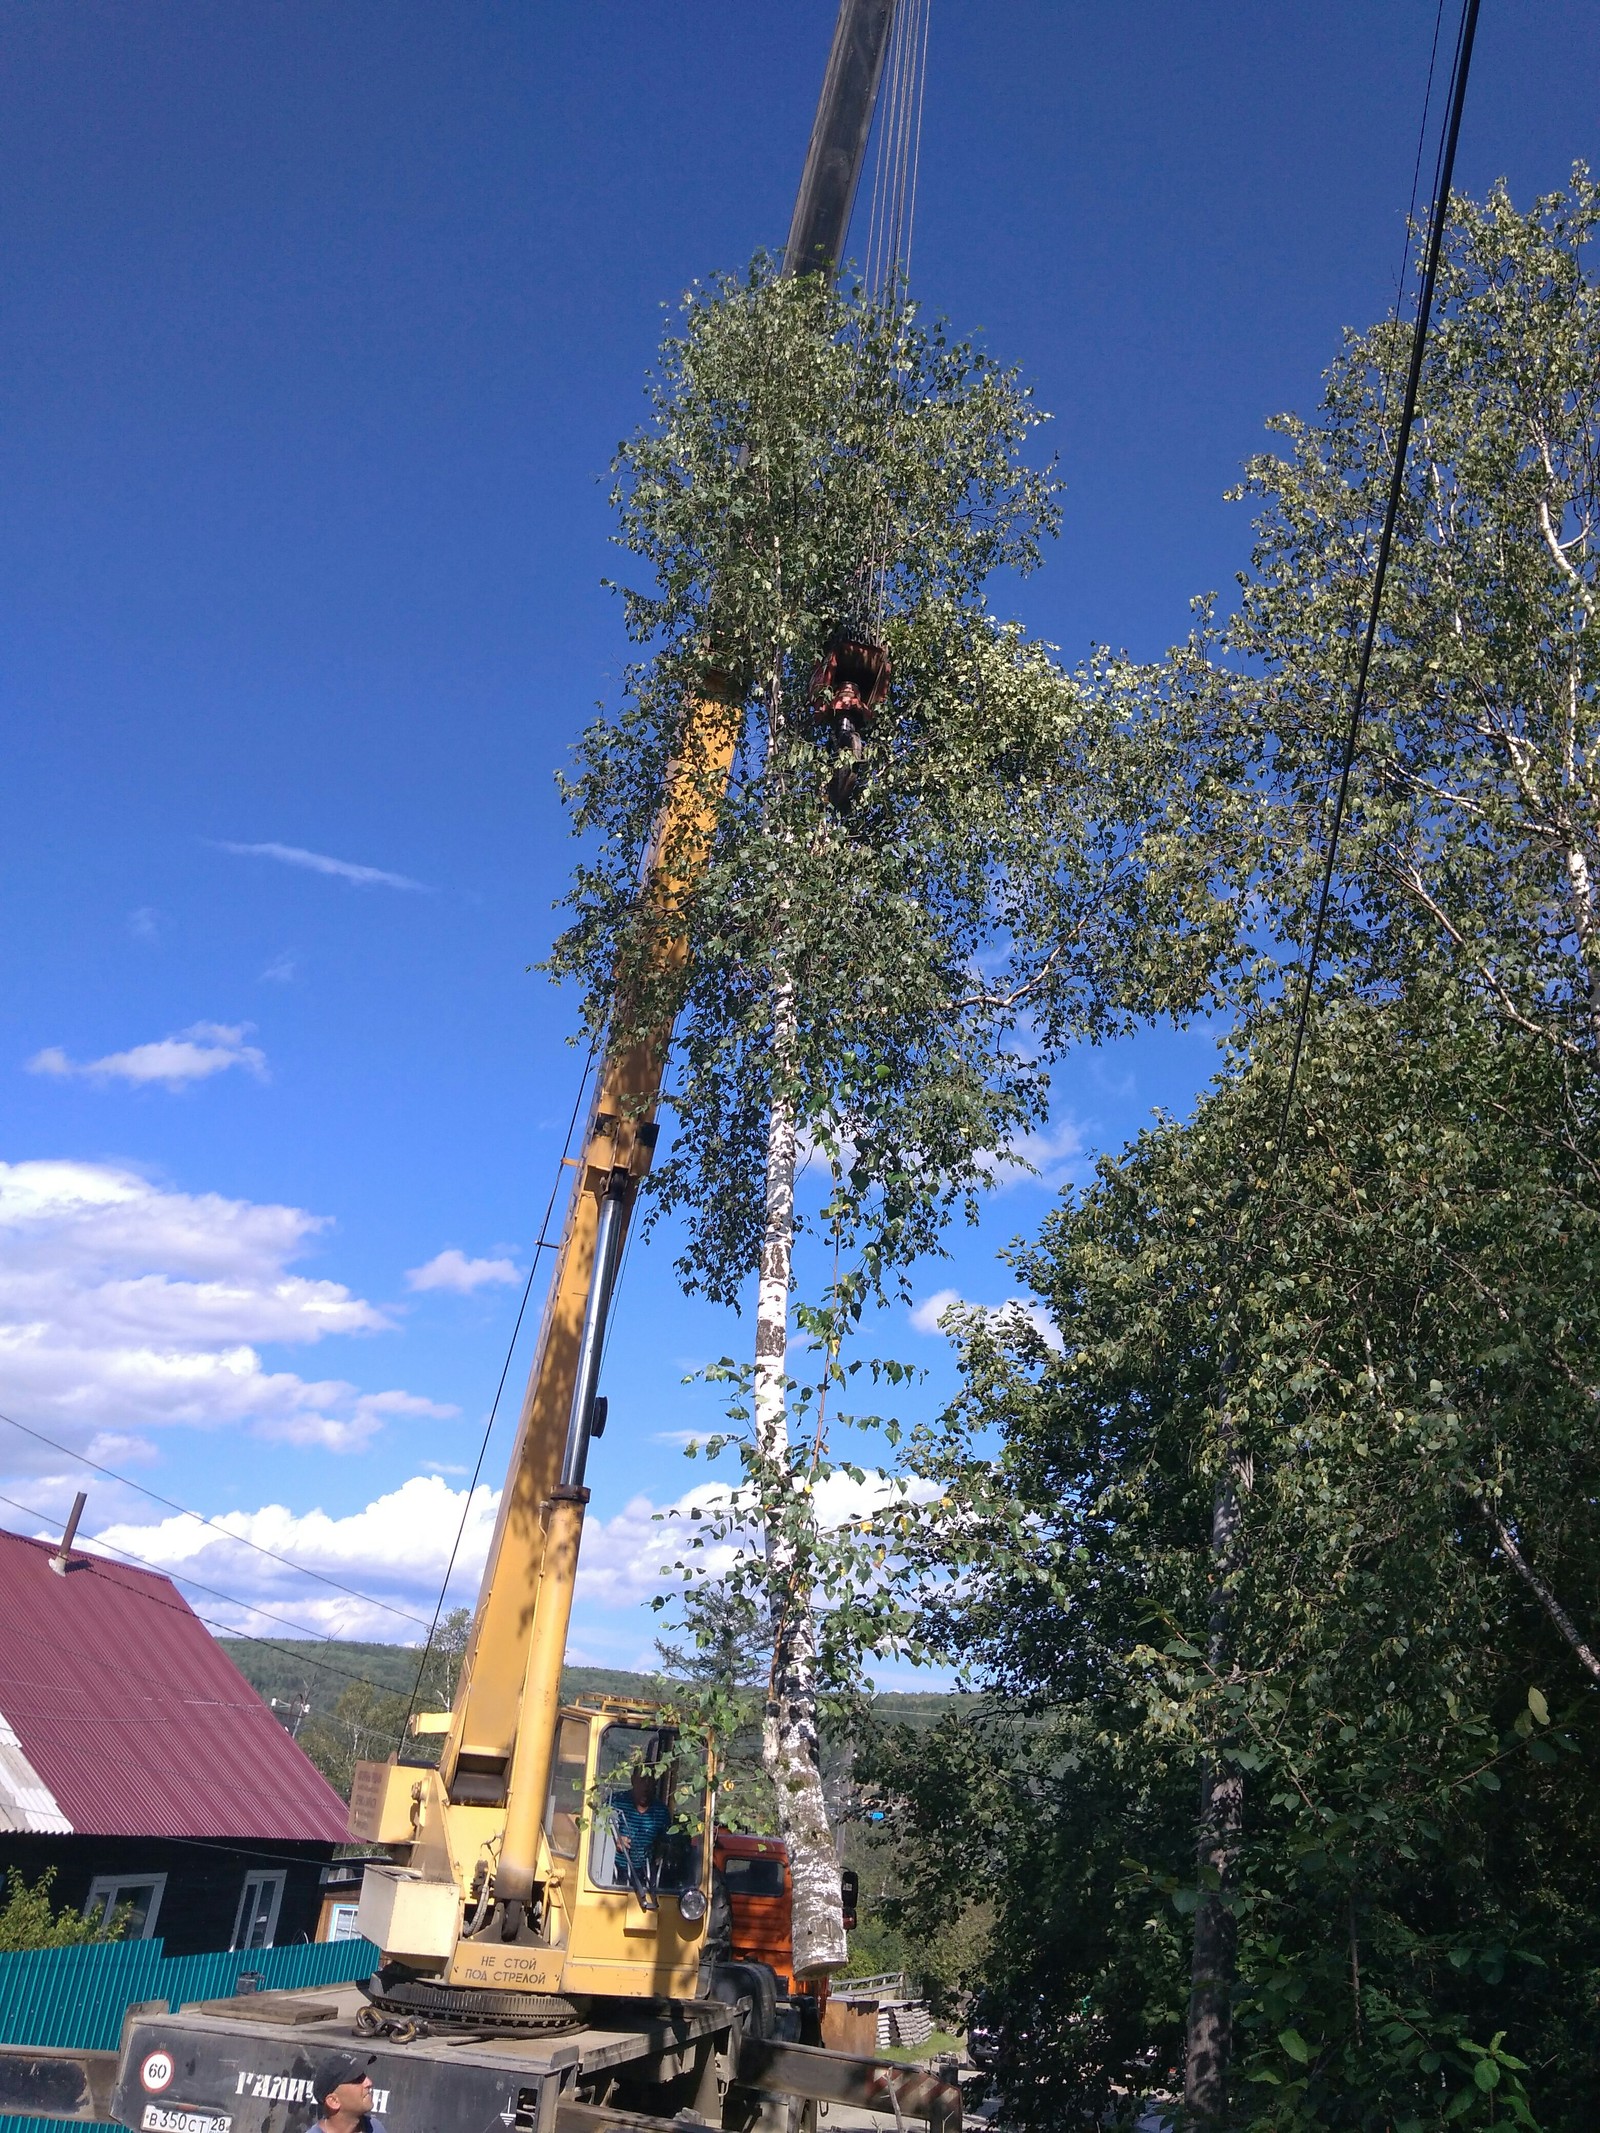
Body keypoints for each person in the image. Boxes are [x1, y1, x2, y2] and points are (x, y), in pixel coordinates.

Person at [611, 1768, 671, 1886]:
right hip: (612, 1871)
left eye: (650, 1781)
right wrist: (614, 1841)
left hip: (645, 1876)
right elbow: (596, 1836)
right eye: (642, 1780)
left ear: (656, 1783)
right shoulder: (615, 1802)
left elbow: (666, 1843)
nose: (646, 1786)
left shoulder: (661, 1812)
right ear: (633, 1780)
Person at [310, 2055, 382, 2133]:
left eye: (364, 2076)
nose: (369, 2082)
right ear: (334, 2101)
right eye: (357, 2079)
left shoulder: (375, 2127)